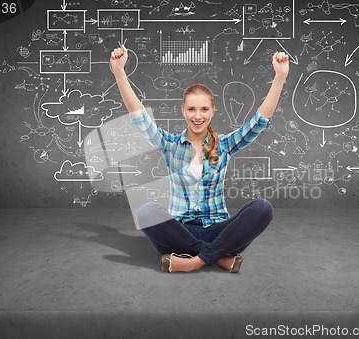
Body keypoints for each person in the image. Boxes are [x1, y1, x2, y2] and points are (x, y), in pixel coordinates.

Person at [110, 45, 289, 273]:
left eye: (204, 109)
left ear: (213, 111)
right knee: (146, 212)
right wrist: (119, 72)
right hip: (181, 231)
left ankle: (192, 261)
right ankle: (219, 257)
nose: (198, 116)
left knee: (262, 208)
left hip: (219, 231)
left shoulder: (224, 145)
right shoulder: (170, 144)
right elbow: (139, 117)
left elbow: (259, 122)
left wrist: (280, 77)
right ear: (183, 111)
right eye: (192, 109)